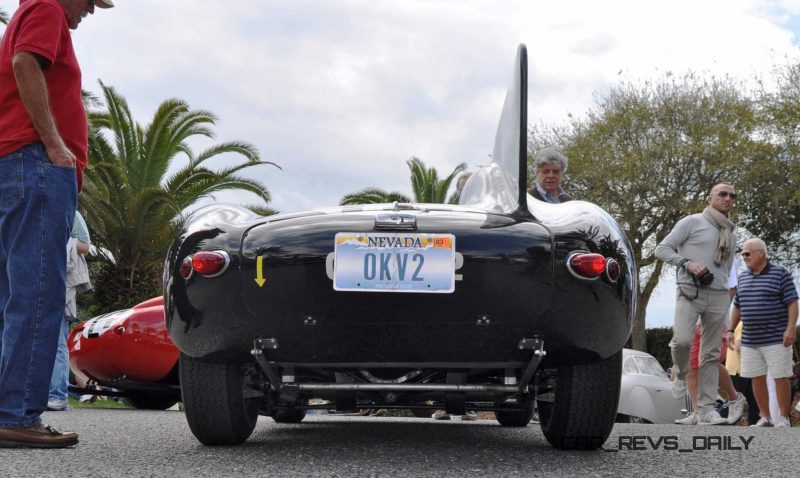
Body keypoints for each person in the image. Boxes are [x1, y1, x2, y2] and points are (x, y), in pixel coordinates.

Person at [0, 0, 114, 449]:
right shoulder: (46, 6)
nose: (89, 9)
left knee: (13, 294)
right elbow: (25, 61)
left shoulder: (32, 9)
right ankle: (15, 415)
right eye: (88, 0)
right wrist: (54, 143)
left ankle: (8, 408)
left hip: (15, 162)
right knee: (38, 291)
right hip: (35, 163)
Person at [654, 183, 737, 425]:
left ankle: (706, 410)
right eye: (723, 194)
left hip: (719, 295)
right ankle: (679, 374)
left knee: (710, 355)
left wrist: (729, 302)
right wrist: (687, 263)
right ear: (710, 198)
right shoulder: (691, 222)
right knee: (682, 342)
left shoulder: (731, 232)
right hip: (690, 291)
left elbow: (727, 272)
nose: (728, 198)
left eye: (732, 196)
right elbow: (661, 249)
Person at [727, 238, 798, 427]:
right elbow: (738, 306)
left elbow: (792, 302)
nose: (744, 257)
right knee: (756, 378)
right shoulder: (742, 277)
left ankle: (782, 418)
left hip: (776, 338)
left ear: (761, 254)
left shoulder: (780, 274)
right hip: (750, 339)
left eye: (748, 253)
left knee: (780, 377)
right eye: (742, 254)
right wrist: (730, 329)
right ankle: (765, 417)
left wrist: (791, 328)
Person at [674, 263, 746, 425]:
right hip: (692, 318)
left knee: (709, 360)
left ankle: (735, 398)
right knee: (692, 365)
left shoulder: (724, 255)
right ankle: (698, 412)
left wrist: (717, 314)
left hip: (714, 318)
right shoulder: (690, 255)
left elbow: (732, 288)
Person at [47, 210, 92, 411]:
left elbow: (85, 245)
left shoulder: (71, 212)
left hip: (59, 282)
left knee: (57, 341)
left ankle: (56, 395)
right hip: (30, 280)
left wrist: (60, 245)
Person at [725, 322, 760, 425]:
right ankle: (717, 424)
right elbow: (738, 347)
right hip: (739, 370)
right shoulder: (744, 324)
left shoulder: (739, 324)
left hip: (742, 369)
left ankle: (757, 431)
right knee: (735, 403)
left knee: (754, 404)